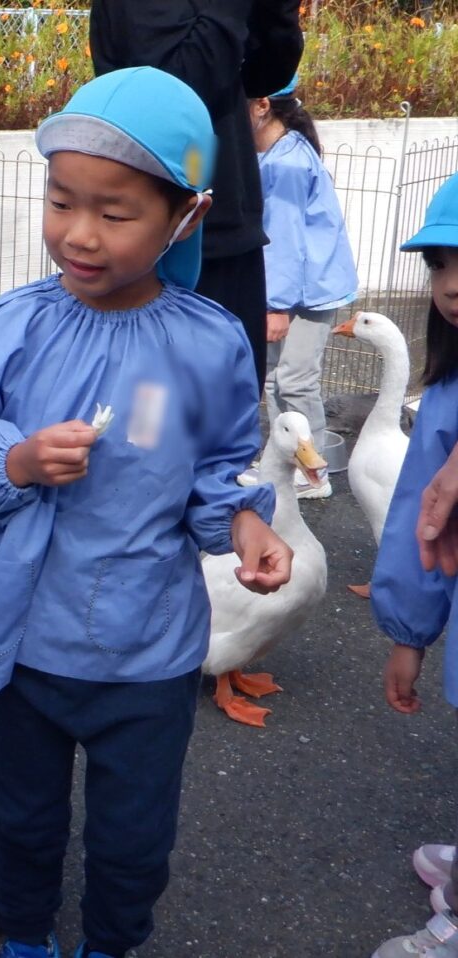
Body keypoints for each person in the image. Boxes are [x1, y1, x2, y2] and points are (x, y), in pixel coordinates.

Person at [0, 66, 293, 958]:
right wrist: (15, 461)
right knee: (21, 816)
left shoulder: (207, 343)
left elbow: (217, 469)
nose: (79, 234)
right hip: (26, 644)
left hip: (148, 653)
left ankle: (112, 942)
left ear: (187, 216)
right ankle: (27, 937)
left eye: (115, 213)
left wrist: (246, 525)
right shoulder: (12, 327)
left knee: (133, 838)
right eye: (61, 202)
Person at [88, 0, 303, 393]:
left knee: (233, 392)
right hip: (163, 234)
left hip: (230, 225)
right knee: (154, 406)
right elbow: (176, 89)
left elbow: (266, 73)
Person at [369, 171, 458, 958]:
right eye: (439, 264)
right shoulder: (447, 388)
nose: (451, 284)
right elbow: (422, 522)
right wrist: (410, 629)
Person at [248, 77, 359, 499]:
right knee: (276, 378)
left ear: (261, 105)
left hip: (308, 290)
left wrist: (274, 306)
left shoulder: (287, 162)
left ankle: (315, 475)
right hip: (298, 285)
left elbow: (285, 239)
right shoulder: (277, 152)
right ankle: (284, 466)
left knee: (294, 379)